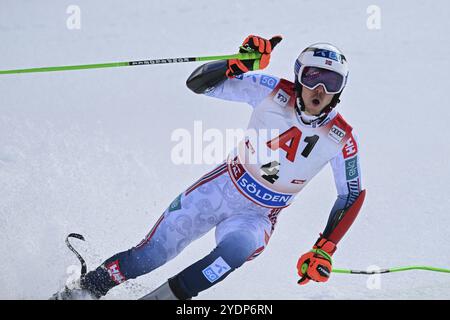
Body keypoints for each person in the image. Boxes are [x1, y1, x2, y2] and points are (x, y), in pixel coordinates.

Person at [52, 35, 366, 300]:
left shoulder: (341, 138)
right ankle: (84, 291)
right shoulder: (271, 90)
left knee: (232, 254)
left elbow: (351, 194)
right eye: (313, 77)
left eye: (331, 81)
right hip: (218, 191)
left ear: (341, 89)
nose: (320, 89)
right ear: (299, 75)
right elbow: (198, 84)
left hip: (256, 218)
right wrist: (236, 65)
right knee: (149, 256)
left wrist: (324, 247)